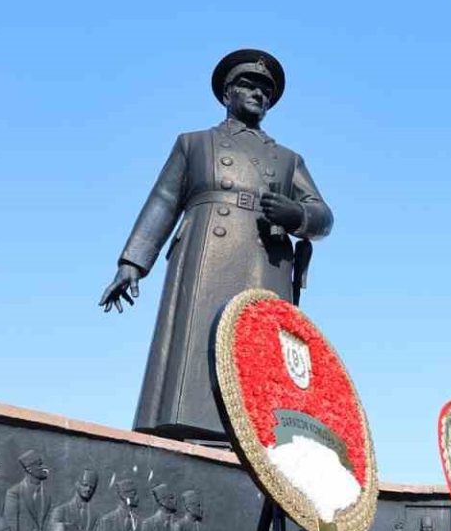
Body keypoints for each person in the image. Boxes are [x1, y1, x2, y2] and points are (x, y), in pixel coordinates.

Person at [99, 50, 334, 442]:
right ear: (227, 94)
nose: (259, 95)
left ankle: (255, 435)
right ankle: (190, 424)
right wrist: (132, 263)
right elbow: (163, 201)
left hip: (265, 263)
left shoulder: (288, 160)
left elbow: (323, 216)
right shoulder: (193, 144)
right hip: (206, 256)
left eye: (266, 91)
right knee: (198, 348)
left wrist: (296, 214)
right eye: (249, 86)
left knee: (256, 353)